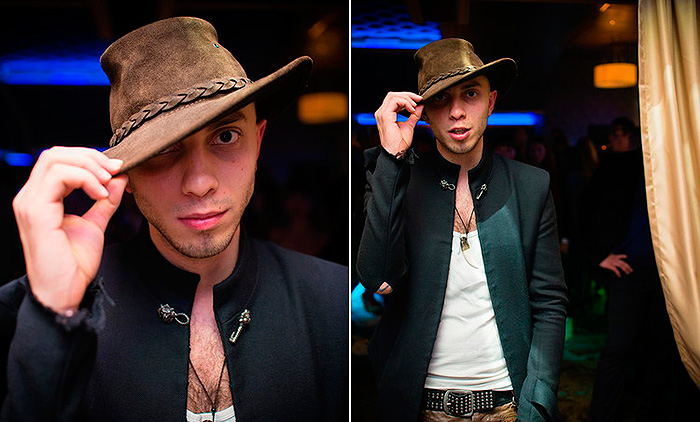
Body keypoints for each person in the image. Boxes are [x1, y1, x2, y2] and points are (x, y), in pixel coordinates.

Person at [0, 17, 347, 421]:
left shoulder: (333, 300)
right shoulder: (26, 316)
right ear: (126, 173)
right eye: (164, 149)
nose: (199, 183)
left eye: (226, 136)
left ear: (258, 143)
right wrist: (53, 319)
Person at [357, 38, 567, 421]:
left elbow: (550, 302)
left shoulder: (531, 185)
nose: (456, 111)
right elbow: (377, 278)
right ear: (422, 111)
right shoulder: (396, 180)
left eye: (470, 94)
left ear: (490, 102)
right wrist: (391, 158)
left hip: (508, 404)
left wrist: (538, 400)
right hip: (420, 406)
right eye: (440, 99)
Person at [581, 117, 678, 421]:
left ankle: (650, 411)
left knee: (661, 347)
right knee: (619, 347)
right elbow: (584, 213)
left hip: (666, 272)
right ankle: (603, 415)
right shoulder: (616, 166)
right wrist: (600, 255)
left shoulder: (673, 166)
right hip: (629, 269)